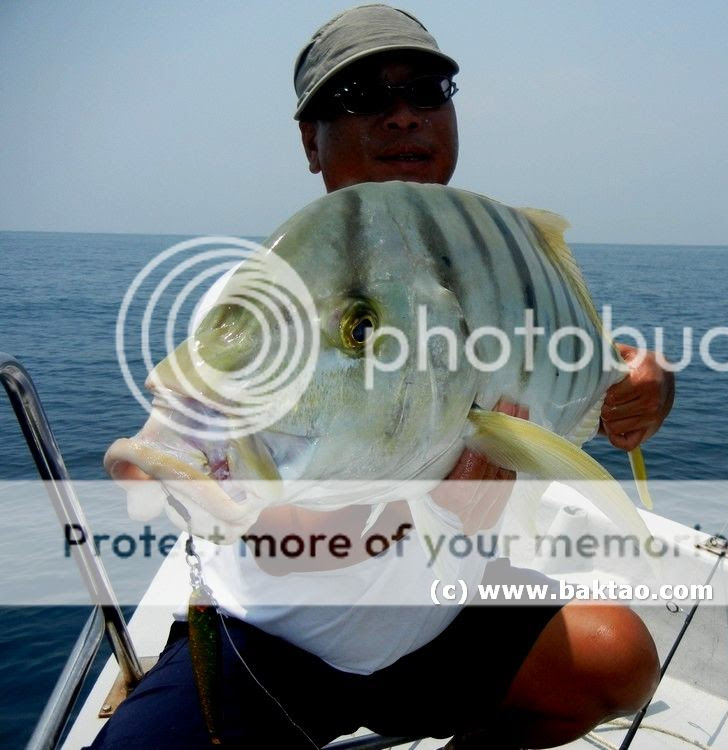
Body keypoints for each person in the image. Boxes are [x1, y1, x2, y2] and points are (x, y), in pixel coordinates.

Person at [90, 5, 674, 749]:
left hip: (441, 621)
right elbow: (274, 538)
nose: (403, 116)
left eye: (426, 91)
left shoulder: (491, 262)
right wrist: (434, 513)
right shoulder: (252, 295)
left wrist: (648, 386)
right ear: (311, 140)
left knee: (619, 662)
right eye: (362, 97)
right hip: (276, 643)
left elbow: (583, 359)